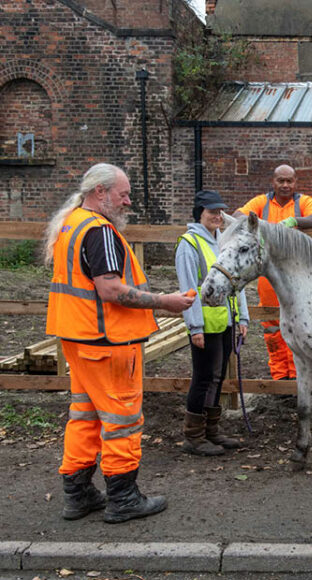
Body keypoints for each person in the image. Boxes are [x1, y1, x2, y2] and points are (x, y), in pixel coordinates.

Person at [44, 163, 195, 523]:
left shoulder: (71, 223)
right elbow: (110, 289)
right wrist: (164, 301)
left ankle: (77, 494)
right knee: (123, 419)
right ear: (101, 192)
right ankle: (123, 498)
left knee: (85, 415)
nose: (128, 202)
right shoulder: (100, 232)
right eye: (123, 194)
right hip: (108, 341)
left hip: (78, 338)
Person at [235, 164, 312, 381]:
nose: (285, 185)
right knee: (272, 326)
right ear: (273, 181)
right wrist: (262, 226)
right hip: (269, 276)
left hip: (298, 277)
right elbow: (237, 215)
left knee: (299, 325)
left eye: (289, 181)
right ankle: (279, 377)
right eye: (281, 181)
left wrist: (296, 221)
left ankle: (297, 377)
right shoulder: (261, 202)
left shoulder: (303, 202)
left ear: (295, 182)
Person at [175, 190, 249, 456]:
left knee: (218, 377)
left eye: (219, 212)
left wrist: (242, 316)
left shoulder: (223, 241)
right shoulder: (190, 244)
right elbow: (187, 288)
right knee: (203, 377)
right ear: (199, 214)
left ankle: (211, 430)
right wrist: (194, 326)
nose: (217, 216)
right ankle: (193, 436)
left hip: (226, 319)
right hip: (205, 323)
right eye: (211, 212)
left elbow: (236, 280)